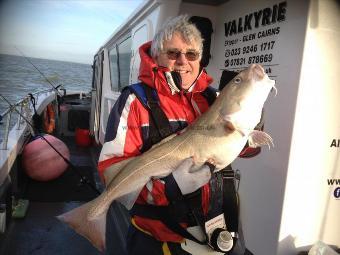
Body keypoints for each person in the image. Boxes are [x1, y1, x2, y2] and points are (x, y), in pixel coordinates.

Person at [98, 15, 258, 255]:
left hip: (220, 228)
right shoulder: (135, 101)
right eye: (173, 53)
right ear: (156, 56)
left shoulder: (213, 98)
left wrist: (253, 130)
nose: (183, 61)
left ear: (199, 59)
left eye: (191, 54)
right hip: (163, 237)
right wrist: (169, 188)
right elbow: (112, 169)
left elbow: (247, 150)